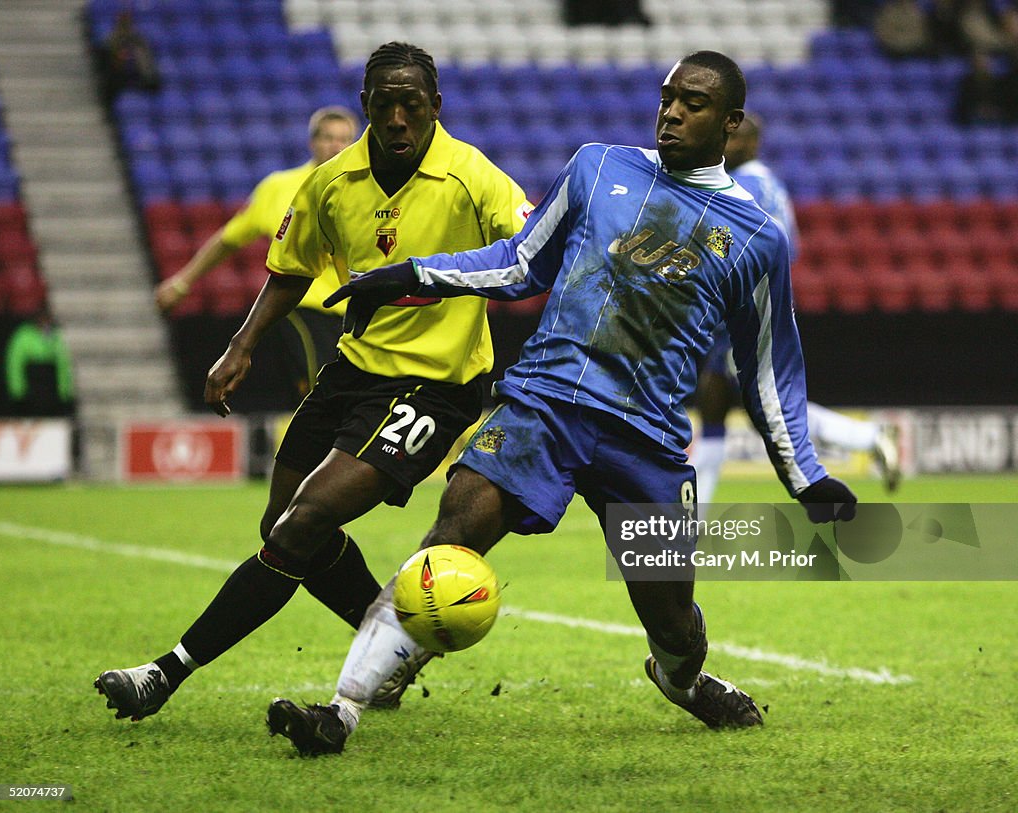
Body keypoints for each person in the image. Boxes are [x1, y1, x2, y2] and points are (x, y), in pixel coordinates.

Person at [265, 50, 858, 756]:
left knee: (671, 619)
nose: (671, 111)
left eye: (693, 103)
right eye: (667, 96)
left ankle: (683, 680)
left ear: (729, 123)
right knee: (450, 535)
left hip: (648, 439)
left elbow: (767, 371)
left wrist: (806, 477)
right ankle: (342, 711)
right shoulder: (597, 168)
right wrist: (410, 273)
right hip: (543, 406)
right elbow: (520, 262)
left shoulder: (756, 239)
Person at [94, 42, 531, 723]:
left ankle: (163, 672)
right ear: (365, 105)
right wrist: (241, 343)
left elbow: (528, 249)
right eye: (383, 104)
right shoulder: (331, 182)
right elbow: (290, 265)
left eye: (410, 105)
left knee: (301, 523)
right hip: (352, 374)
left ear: (434, 107)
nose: (396, 118)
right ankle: (380, 646)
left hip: (434, 389)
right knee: (281, 522)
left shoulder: (473, 176)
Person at [690, 113, 901, 517]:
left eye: (734, 141)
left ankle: (868, 436)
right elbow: (791, 248)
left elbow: (731, 247)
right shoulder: (771, 185)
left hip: (744, 315)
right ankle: (690, 517)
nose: (725, 147)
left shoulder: (743, 185)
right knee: (717, 405)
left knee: (767, 410)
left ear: (752, 144)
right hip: (748, 311)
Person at [155, 107, 360, 399]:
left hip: (353, 310)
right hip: (301, 305)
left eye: (344, 139)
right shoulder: (279, 188)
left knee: (346, 394)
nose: (335, 146)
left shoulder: (366, 191)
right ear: (312, 142)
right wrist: (182, 282)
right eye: (328, 137)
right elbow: (228, 240)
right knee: (322, 387)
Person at [4, 303, 75, 417]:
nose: (45, 321)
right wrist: (18, 390)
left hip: (51, 389)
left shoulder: (57, 335)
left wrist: (65, 392)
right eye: (42, 317)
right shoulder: (23, 335)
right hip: (32, 388)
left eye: (47, 318)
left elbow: (64, 365)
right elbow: (14, 364)